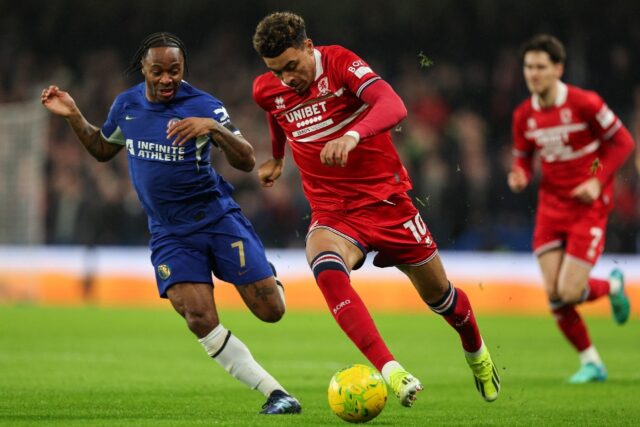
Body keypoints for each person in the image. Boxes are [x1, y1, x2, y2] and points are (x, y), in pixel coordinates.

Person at [41, 32, 301, 415]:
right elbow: (101, 149)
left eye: (175, 71)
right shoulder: (126, 106)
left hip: (216, 219)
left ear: (184, 70)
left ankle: (265, 273)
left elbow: (246, 160)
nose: (167, 79)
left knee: (271, 312)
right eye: (159, 71)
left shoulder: (204, 105)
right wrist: (75, 116)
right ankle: (277, 394)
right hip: (170, 233)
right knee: (198, 317)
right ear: (143, 69)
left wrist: (213, 129)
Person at [251, 11, 500, 406]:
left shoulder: (340, 63)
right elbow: (276, 111)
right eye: (276, 71)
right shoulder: (267, 89)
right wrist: (278, 158)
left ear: (308, 47)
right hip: (334, 211)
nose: (286, 79)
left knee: (442, 299)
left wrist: (353, 135)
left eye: (292, 67)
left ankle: (476, 352)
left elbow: (393, 105)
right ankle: (392, 371)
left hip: (388, 203)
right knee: (324, 266)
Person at [508, 34, 634, 383]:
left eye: (541, 67)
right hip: (551, 207)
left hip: (587, 206)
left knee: (567, 291)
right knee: (554, 294)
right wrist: (520, 175)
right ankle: (592, 362)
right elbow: (523, 160)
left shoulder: (585, 103)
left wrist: (597, 179)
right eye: (528, 67)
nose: (533, 74)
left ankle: (612, 286)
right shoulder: (523, 116)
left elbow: (622, 142)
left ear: (558, 69)